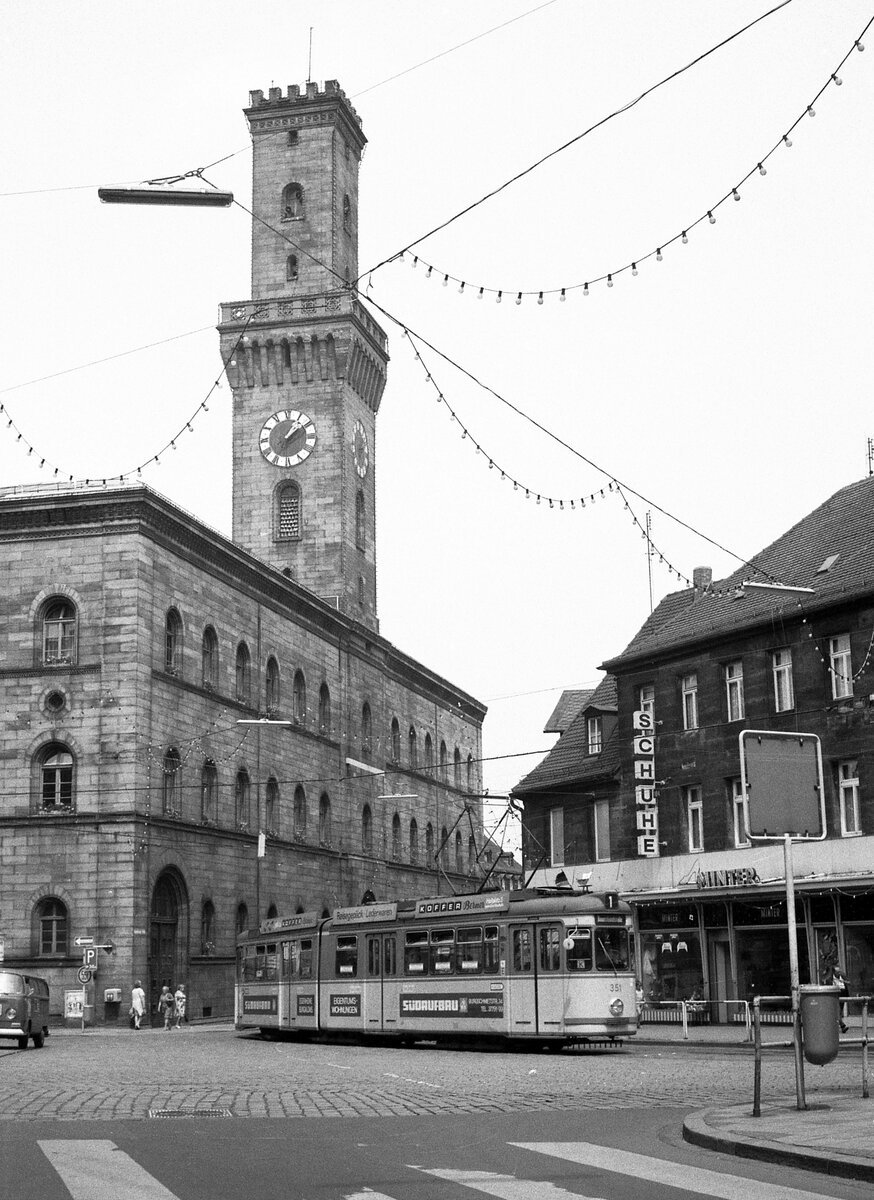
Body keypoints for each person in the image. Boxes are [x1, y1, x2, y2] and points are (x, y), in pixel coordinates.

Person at [833, 967, 849, 1034]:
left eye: (839, 971)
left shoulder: (842, 975)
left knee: (839, 1012)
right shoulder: (831, 978)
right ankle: (842, 1026)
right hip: (834, 995)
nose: (839, 973)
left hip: (842, 993)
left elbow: (849, 982)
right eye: (837, 972)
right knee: (837, 1011)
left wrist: (843, 981)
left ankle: (841, 1026)